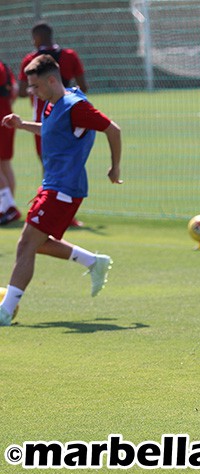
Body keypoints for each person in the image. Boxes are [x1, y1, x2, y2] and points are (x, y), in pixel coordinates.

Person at [0, 55, 123, 326]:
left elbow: (113, 129)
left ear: (52, 80)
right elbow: (51, 130)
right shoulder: (51, 104)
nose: (32, 92)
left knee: (26, 245)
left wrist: (115, 168)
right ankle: (93, 261)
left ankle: (5, 311)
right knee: (38, 244)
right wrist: (22, 126)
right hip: (53, 186)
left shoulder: (76, 106)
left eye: (35, 87)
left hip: (64, 189)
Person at [19, 21, 88, 228]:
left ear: (36, 38)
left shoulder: (31, 60)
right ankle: (67, 215)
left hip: (43, 118)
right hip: (70, 116)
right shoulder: (69, 55)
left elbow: (22, 91)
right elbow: (84, 86)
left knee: (48, 166)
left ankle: (49, 212)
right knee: (70, 162)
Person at [0, 60, 20, 225]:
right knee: (5, 164)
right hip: (6, 115)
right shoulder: (5, 66)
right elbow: (14, 91)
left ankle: (8, 208)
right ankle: (6, 207)